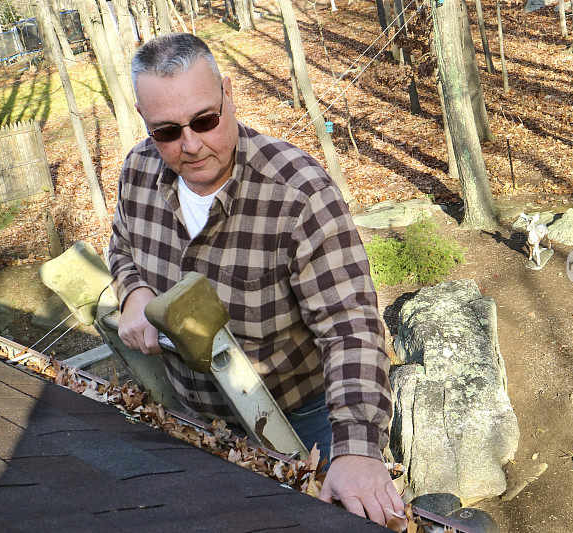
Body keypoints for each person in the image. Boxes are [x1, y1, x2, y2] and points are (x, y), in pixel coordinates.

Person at [108, 33, 404, 527]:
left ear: (229, 94)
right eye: (167, 131)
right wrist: (134, 292)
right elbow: (121, 247)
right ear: (145, 122)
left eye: (205, 119)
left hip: (303, 418)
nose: (192, 144)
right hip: (195, 416)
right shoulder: (138, 172)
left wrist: (356, 449)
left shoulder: (300, 195)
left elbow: (352, 328)